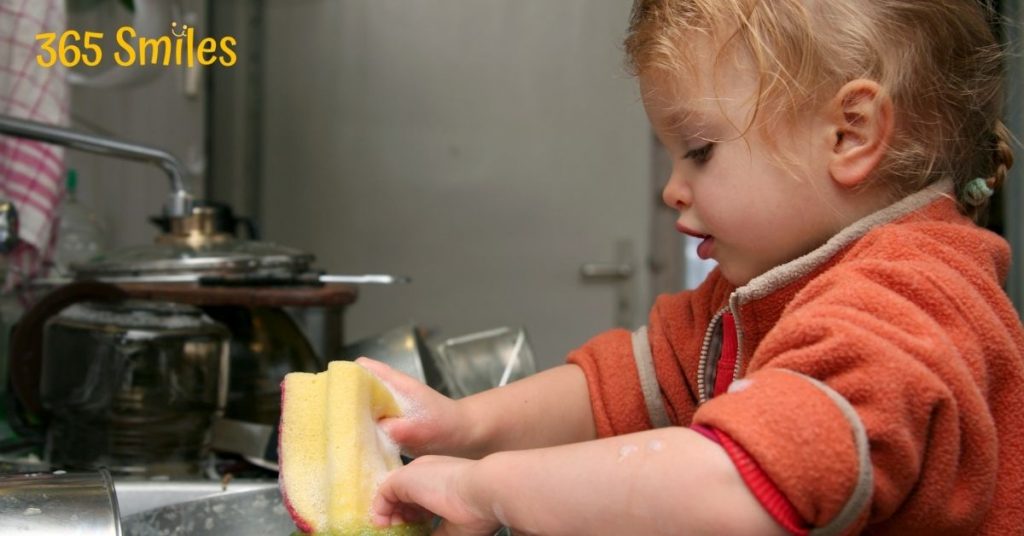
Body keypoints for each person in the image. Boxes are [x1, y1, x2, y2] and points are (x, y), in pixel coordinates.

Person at [362, 1, 1024, 534]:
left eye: (699, 151)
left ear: (849, 133)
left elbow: (736, 485)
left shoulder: (908, 304)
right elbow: (621, 385)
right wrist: (464, 427)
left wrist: (484, 489)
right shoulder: (772, 284)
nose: (672, 189)